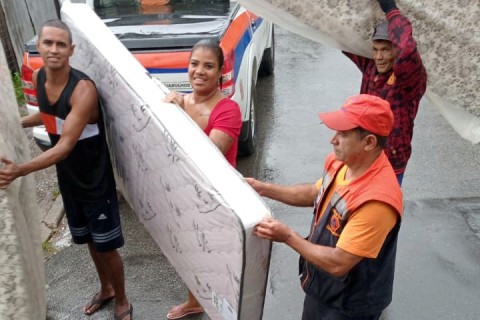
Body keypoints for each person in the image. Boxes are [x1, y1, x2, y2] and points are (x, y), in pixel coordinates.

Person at [0, 20, 133, 320]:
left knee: (107, 246)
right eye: (48, 43)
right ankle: (106, 289)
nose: (54, 49)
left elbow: (63, 146)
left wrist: (19, 169)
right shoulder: (38, 78)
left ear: (71, 50)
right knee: (87, 240)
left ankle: (122, 298)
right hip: (69, 180)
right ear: (40, 47)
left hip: (95, 181)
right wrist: (14, 121)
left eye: (61, 44)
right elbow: (49, 118)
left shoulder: (83, 90)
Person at [248, 94, 403, 320]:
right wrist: (263, 188)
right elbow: (314, 193)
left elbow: (339, 263)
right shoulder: (341, 162)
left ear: (369, 142)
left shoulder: (376, 201)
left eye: (343, 134)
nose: (333, 139)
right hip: (323, 289)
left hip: (350, 305)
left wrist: (288, 236)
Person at [163, 39, 242, 319]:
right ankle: (195, 301)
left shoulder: (228, 110)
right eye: (194, 64)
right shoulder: (180, 100)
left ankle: (228, 309)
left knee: (214, 258)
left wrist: (179, 114)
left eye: (208, 66)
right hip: (187, 191)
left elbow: (207, 156)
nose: (199, 71)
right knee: (189, 249)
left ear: (220, 71)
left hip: (217, 195)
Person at [343, 0, 427, 185]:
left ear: (395, 52)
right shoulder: (370, 67)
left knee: (383, 208)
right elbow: (341, 35)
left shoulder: (409, 79)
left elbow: (407, 49)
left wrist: (390, 9)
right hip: (364, 156)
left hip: (390, 163)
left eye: (386, 50)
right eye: (375, 50)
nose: (379, 57)